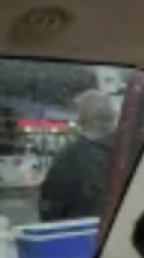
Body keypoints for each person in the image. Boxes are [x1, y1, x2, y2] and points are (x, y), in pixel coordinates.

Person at [39, 90, 116, 222]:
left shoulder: (69, 155)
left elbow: (51, 206)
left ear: (81, 118)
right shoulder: (130, 149)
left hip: (82, 231)